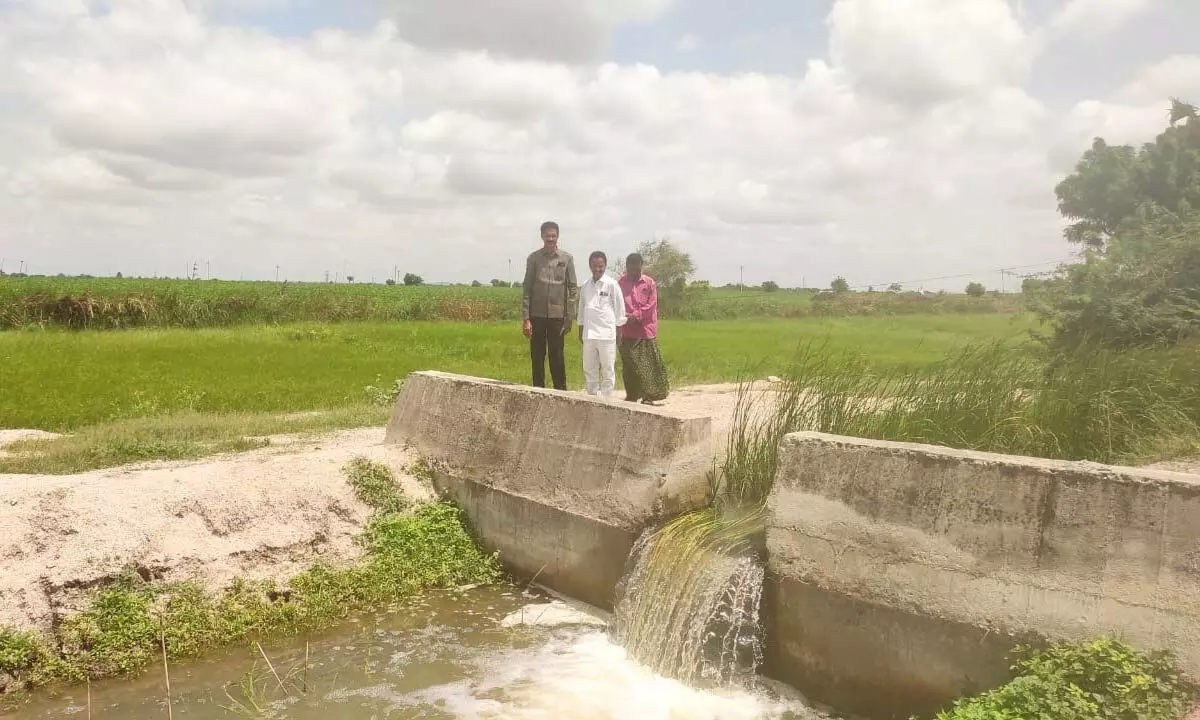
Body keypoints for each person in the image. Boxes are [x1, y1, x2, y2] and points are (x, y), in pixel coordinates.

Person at [522, 220, 578, 390]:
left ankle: (560, 391)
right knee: (537, 355)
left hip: (557, 316)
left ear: (557, 236)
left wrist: (570, 316)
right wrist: (526, 318)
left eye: (553, 235)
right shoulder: (534, 258)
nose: (551, 239)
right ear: (542, 236)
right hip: (537, 315)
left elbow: (572, 288)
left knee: (557, 355)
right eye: (548, 236)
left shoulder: (567, 259)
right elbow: (527, 288)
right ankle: (538, 390)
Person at [618, 253, 669, 404]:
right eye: (631, 269)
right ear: (627, 268)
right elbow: (616, 302)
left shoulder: (649, 283)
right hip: (627, 330)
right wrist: (627, 316)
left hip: (645, 330)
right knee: (629, 366)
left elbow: (651, 304)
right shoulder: (620, 283)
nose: (634, 272)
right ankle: (632, 394)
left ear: (641, 266)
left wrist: (637, 315)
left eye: (637, 268)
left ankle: (649, 396)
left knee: (647, 366)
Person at [577, 251, 626, 399]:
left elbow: (620, 310)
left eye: (600, 266)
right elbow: (581, 309)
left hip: (606, 334)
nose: (597, 269)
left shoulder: (611, 284)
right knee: (589, 367)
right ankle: (592, 395)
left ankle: (606, 398)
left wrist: (619, 332)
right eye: (594, 265)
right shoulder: (586, 285)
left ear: (605, 265)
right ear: (590, 266)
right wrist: (581, 329)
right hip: (589, 333)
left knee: (608, 368)